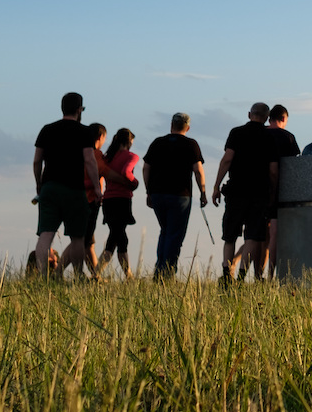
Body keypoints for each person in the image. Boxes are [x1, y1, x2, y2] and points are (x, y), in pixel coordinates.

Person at [33, 92, 101, 279]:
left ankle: (43, 276)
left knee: (46, 234)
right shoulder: (84, 131)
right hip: (74, 189)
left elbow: (37, 161)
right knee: (78, 236)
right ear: (79, 110)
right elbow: (89, 160)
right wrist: (96, 187)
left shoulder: (47, 129)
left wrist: (39, 183)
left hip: (49, 187)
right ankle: (78, 275)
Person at [142, 112, 208, 279]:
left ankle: (159, 269)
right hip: (180, 195)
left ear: (171, 125)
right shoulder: (191, 145)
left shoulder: (157, 143)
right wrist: (203, 192)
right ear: (188, 128)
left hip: (157, 194)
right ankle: (167, 272)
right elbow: (198, 171)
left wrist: (149, 191)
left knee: (165, 231)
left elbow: (145, 168)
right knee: (175, 233)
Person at [213, 103, 274, 283]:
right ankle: (241, 275)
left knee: (230, 234)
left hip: (236, 190)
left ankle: (226, 272)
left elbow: (227, 160)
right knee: (253, 236)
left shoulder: (236, 133)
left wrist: (216, 186)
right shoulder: (269, 137)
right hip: (259, 192)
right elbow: (273, 170)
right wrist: (273, 191)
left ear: (249, 115)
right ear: (266, 118)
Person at [96, 128, 141, 278]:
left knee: (119, 237)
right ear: (128, 142)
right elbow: (126, 172)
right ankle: (97, 274)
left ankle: (129, 276)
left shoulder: (108, 157)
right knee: (116, 238)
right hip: (122, 200)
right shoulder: (131, 156)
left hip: (108, 200)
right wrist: (134, 183)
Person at [264, 105, 302, 277]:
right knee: (274, 234)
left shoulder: (260, 134)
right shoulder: (288, 137)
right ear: (284, 118)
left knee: (255, 235)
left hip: (253, 189)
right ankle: (271, 273)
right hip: (278, 190)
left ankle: (254, 273)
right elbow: (295, 165)